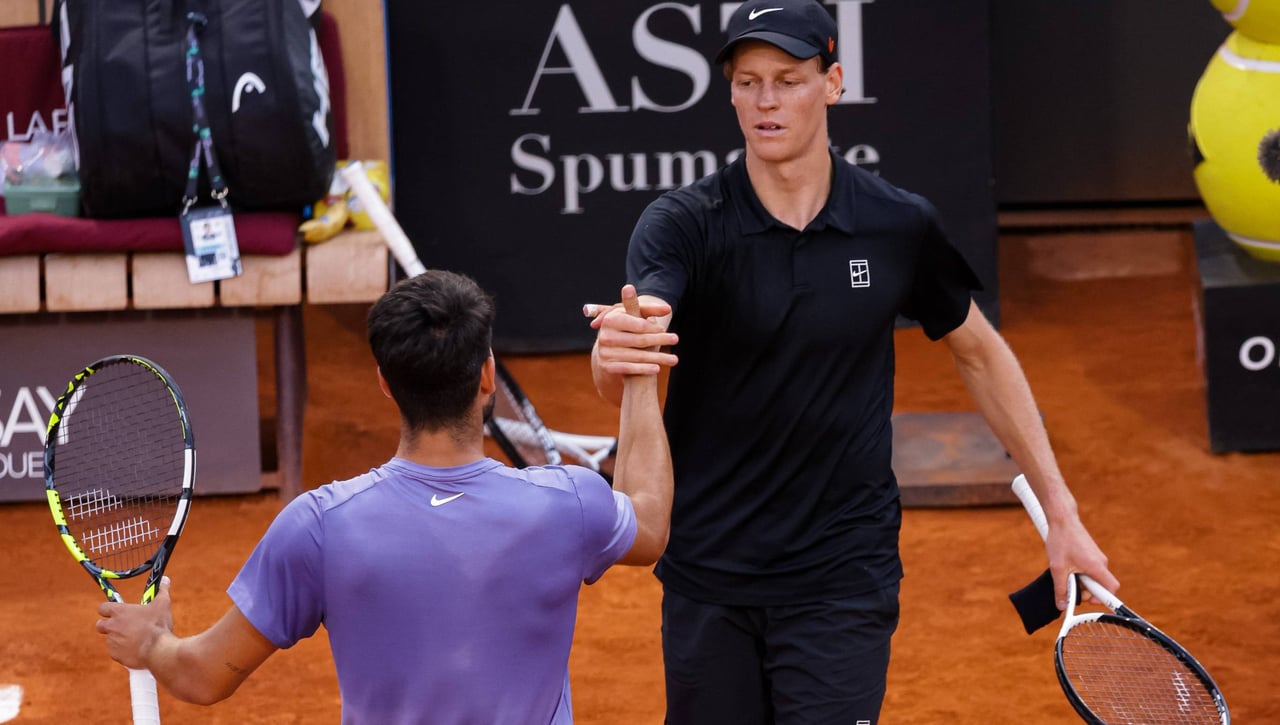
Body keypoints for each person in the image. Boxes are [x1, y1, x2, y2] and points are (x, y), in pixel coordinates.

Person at [585, 1, 1120, 722]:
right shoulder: (683, 224)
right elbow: (638, 348)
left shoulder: (896, 222)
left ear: (833, 83)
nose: (765, 100)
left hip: (843, 576)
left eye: (788, 79)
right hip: (710, 574)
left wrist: (1061, 509)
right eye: (747, 82)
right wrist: (615, 351)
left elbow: (981, 353)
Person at [95, 270, 677, 723]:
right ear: (487, 376)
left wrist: (149, 642)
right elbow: (648, 521)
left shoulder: (319, 527)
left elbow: (201, 676)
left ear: (384, 383)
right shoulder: (566, 504)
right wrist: (641, 372)